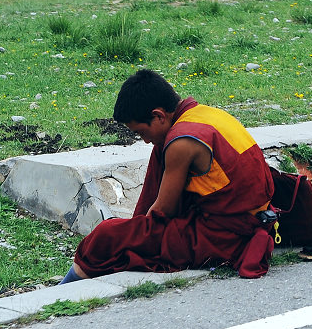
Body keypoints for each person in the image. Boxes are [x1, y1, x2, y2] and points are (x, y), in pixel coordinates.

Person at [59, 69, 277, 283]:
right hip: (257, 217)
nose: (143, 140)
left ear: (158, 115)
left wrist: (137, 231)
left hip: (225, 236)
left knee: (105, 235)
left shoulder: (180, 142)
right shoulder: (207, 114)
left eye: (141, 132)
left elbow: (164, 211)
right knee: (158, 149)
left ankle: (62, 291)